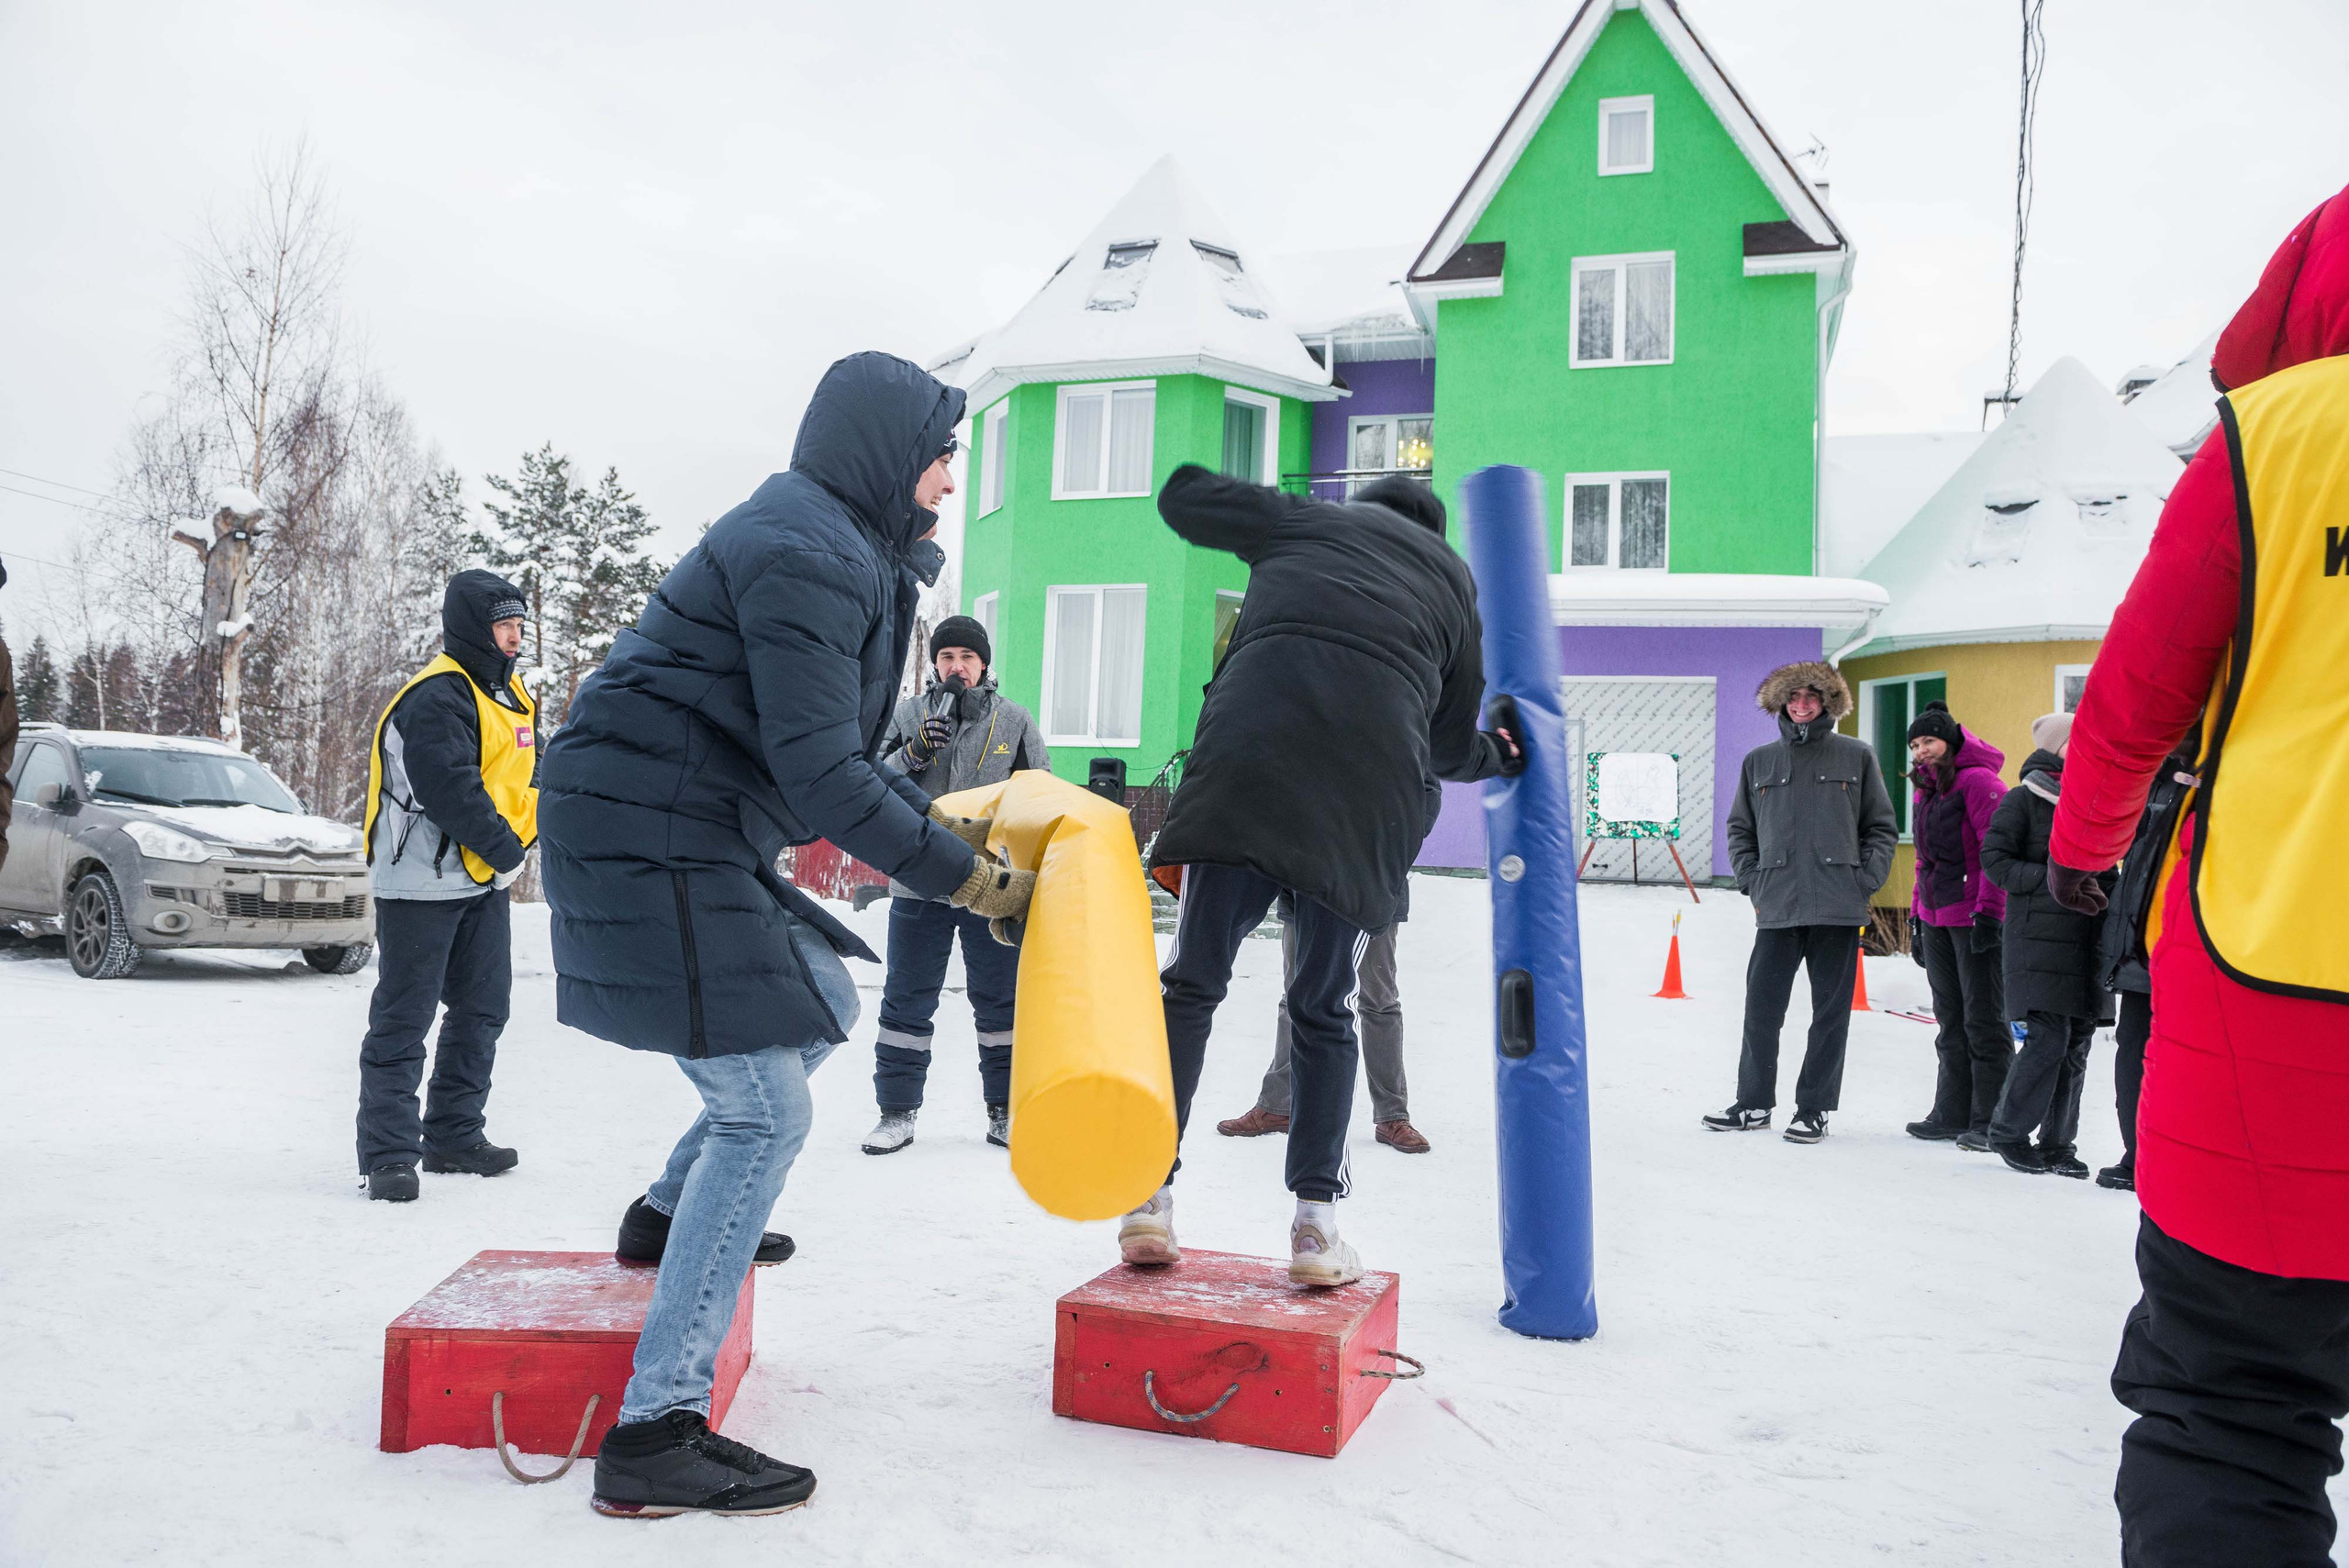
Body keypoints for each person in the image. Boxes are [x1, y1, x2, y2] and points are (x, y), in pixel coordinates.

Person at [538, 352, 1032, 1521]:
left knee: (821, 989)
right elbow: (823, 777)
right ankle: (654, 1430)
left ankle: (667, 1216)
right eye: (941, 455)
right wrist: (971, 882)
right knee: (765, 1109)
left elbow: (837, 761)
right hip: (648, 827)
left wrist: (954, 833)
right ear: (887, 451)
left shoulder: (835, 544)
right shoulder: (806, 551)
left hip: (681, 823)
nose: (950, 478)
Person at [2045, 185, 2349, 1566]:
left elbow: (2133, 698)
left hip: (2276, 1006)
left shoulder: (2277, 437)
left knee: (2229, 1412)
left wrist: (2084, 846)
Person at [1119, 467, 1520, 1288]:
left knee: (1190, 987)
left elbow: (1183, 497)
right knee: (1323, 1005)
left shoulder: (1304, 523)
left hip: (1245, 768)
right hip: (1360, 802)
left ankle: (1146, 1194)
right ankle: (1314, 1227)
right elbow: (1450, 746)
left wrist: (1270, 508)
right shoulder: (1452, 582)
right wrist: (1502, 753)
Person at [354, 570, 538, 1203]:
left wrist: (518, 845)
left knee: (483, 1008)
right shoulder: (437, 695)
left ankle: (454, 1135)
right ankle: (389, 1155)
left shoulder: (507, 695)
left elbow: (522, 777)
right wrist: (507, 851)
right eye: (504, 625)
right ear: (472, 628)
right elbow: (449, 786)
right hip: (419, 881)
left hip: (480, 878)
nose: (514, 637)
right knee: (404, 1019)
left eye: (519, 625)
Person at [863, 614, 1049, 1155]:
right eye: (947, 657)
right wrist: (913, 753)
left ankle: (1004, 1111)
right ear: (935, 664)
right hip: (917, 883)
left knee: (1001, 1004)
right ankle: (896, 1113)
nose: (957, 666)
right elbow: (866, 778)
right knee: (906, 1001)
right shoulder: (907, 715)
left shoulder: (1014, 720)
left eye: (968, 657)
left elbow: (1040, 796)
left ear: (983, 665)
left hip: (991, 886)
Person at [1703, 661, 1896, 1144]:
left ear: (1827, 702)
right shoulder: (1759, 761)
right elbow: (1740, 829)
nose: (1802, 705)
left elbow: (1880, 827)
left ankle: (1814, 1109)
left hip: (1838, 906)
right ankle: (1753, 1104)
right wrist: (1753, 881)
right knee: (1761, 1011)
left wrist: (1864, 881)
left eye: (1811, 696)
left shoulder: (1857, 756)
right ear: (1782, 704)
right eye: (1794, 697)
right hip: (1778, 906)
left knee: (1829, 1015)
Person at [1978, 712, 2111, 1177]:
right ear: (2056, 747)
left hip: (2086, 938)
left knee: (2076, 1044)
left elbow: (2108, 867)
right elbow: (1994, 860)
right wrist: (2053, 880)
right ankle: (2008, 1132)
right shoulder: (2023, 799)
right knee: (2047, 1039)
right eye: (2078, 741)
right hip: (2036, 937)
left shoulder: (2096, 802)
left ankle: (2057, 1144)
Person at [1216, 890, 1428, 1154]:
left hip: (1374, 893)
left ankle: (1392, 1116)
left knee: (1379, 1003)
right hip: (1304, 890)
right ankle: (1276, 1106)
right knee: (1295, 999)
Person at [1898, 701, 2011, 1150]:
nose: (1921, 751)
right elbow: (1923, 861)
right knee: (1949, 1018)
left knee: (1983, 1018)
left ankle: (1990, 1120)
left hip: (1973, 916)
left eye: (1929, 741)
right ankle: (1951, 1113)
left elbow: (1994, 854)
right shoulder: (1926, 789)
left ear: (1950, 741)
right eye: (1915, 744)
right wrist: (1915, 917)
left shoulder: (1979, 782)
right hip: (1936, 916)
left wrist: (1990, 914)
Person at [2088, 740, 2198, 1192]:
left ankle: (2176, 1159)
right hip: (2141, 946)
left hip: (2194, 950)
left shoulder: (2223, 772)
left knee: (2185, 1058)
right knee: (2133, 1049)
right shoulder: (2153, 777)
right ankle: (2138, 1154)